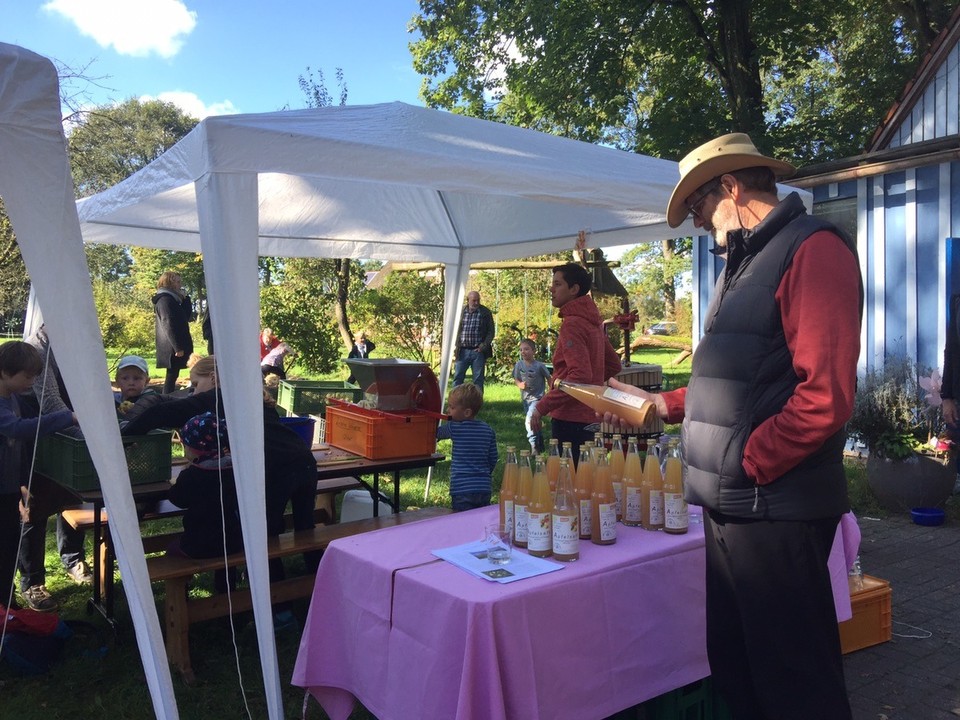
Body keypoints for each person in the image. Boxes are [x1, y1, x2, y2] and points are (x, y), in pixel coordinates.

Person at [606, 133, 862, 719]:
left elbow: (824, 397)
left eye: (698, 209)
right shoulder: (744, 261)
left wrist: (750, 461)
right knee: (739, 666)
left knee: (795, 682)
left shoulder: (814, 249)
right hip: (731, 503)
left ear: (731, 186)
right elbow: (732, 379)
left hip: (775, 506)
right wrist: (659, 405)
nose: (698, 225)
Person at [121, 355, 319, 579]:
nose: (194, 392)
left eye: (196, 384)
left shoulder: (219, 398)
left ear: (214, 378)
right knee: (306, 528)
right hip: (304, 462)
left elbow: (162, 413)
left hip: (276, 470)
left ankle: (278, 604)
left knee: (265, 533)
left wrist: (123, 438)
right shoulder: (255, 398)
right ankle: (318, 580)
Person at [0, 341, 77, 612]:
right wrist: (67, 417)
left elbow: (23, 440)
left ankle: (6, 603)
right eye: (27, 376)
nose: (32, 382)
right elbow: (18, 430)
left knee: (9, 546)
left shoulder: (13, 399)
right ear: (4, 372)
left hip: (9, 489)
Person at [21, 324, 92, 590]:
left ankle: (73, 559)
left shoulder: (78, 341)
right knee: (34, 506)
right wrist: (90, 437)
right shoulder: (37, 348)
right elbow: (49, 401)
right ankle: (33, 581)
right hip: (35, 431)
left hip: (68, 428)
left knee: (71, 495)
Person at [529, 262, 621, 465]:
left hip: (569, 419)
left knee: (570, 482)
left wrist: (541, 406)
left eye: (557, 284)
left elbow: (579, 377)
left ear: (574, 289)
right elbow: (614, 365)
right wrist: (595, 383)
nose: (551, 289)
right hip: (592, 416)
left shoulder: (572, 323)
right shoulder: (593, 321)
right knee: (591, 478)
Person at [167, 412, 243, 593]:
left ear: (194, 449)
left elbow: (178, 499)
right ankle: (226, 592)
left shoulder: (192, 476)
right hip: (235, 541)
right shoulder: (234, 470)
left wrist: (175, 484)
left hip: (199, 544)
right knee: (226, 560)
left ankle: (181, 596)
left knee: (171, 550)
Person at [436, 383, 498, 512]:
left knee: (462, 522)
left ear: (467, 412)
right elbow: (493, 458)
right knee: (480, 520)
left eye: (452, 407)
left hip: (461, 488)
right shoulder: (488, 430)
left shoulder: (454, 428)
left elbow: (435, 433)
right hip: (483, 487)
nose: (448, 410)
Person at [153, 271, 194, 394]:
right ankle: (166, 399)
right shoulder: (165, 300)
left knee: (173, 374)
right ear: (169, 283)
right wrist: (177, 347)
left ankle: (168, 398)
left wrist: (186, 300)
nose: (180, 284)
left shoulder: (174, 299)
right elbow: (168, 323)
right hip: (172, 345)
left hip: (177, 343)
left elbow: (185, 317)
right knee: (172, 375)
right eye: (177, 281)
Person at [512, 338, 551, 454]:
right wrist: (519, 384)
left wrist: (550, 392)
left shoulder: (539, 366)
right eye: (521, 350)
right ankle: (540, 444)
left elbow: (549, 378)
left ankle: (533, 445)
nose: (523, 352)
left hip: (537, 399)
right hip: (525, 399)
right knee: (535, 422)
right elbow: (516, 378)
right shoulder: (519, 365)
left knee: (529, 421)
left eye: (526, 349)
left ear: (534, 351)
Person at [452, 291, 495, 392]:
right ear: (468, 301)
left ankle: (477, 403)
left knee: (478, 380)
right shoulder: (460, 311)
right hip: (462, 350)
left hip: (478, 351)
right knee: (458, 377)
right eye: (474, 300)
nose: (476, 303)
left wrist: (483, 346)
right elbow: (453, 328)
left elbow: (491, 332)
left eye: (478, 300)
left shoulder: (485, 312)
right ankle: (455, 401)